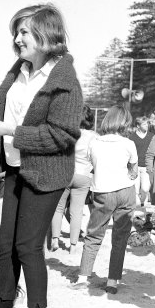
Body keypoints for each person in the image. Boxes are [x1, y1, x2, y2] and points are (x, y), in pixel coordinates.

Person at [0, 4, 82, 308]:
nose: (17, 39)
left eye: (24, 31)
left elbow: (63, 135)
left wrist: (12, 133)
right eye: (16, 32)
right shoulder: (18, 71)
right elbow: (5, 118)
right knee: (6, 245)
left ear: (46, 35)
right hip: (15, 169)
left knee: (28, 247)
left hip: (47, 175)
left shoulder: (64, 81)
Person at [76, 105, 137, 295]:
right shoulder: (128, 143)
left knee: (94, 234)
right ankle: (112, 280)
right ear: (124, 122)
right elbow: (133, 171)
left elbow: (92, 165)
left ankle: (83, 276)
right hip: (125, 191)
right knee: (120, 238)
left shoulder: (94, 143)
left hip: (102, 192)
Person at [50, 105, 98, 253]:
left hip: (64, 172)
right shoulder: (94, 136)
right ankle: (73, 245)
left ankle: (55, 240)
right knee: (76, 212)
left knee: (58, 208)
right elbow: (96, 158)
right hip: (83, 175)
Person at [128, 116, 153, 206]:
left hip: (146, 166)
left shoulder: (151, 136)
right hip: (135, 166)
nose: (147, 125)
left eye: (147, 123)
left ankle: (143, 201)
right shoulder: (132, 137)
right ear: (138, 126)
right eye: (144, 124)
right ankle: (138, 205)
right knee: (135, 188)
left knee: (145, 188)